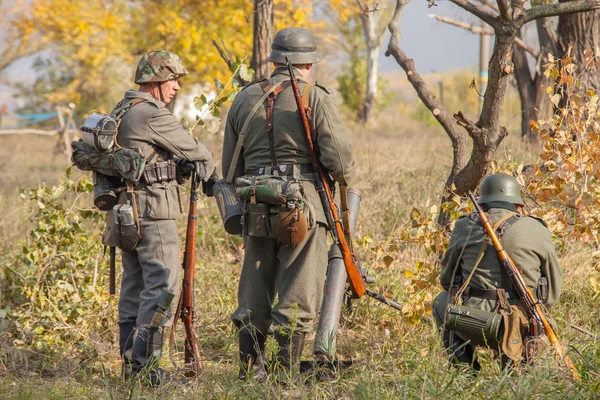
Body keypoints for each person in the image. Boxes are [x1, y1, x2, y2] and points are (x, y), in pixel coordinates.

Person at [222, 27, 355, 379]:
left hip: (253, 204)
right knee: (298, 286)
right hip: (302, 208)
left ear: (275, 60)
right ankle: (285, 376)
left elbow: (229, 168)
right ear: (307, 62)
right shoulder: (315, 97)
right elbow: (340, 163)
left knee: (254, 282)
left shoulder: (244, 98)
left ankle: (250, 370)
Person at [114, 50, 215, 385]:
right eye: (173, 79)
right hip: (154, 210)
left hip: (127, 211)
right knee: (162, 287)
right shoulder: (151, 112)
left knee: (136, 286)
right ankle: (148, 369)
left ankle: (131, 365)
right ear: (156, 79)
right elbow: (196, 149)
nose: (176, 87)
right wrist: (210, 169)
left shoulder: (123, 108)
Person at [432, 173, 563, 371]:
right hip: (526, 328)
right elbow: (552, 295)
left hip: (475, 322)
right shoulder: (537, 228)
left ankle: (464, 371)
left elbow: (447, 281)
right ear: (518, 205)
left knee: (441, 301)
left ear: (482, 204)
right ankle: (519, 367)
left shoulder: (463, 226)